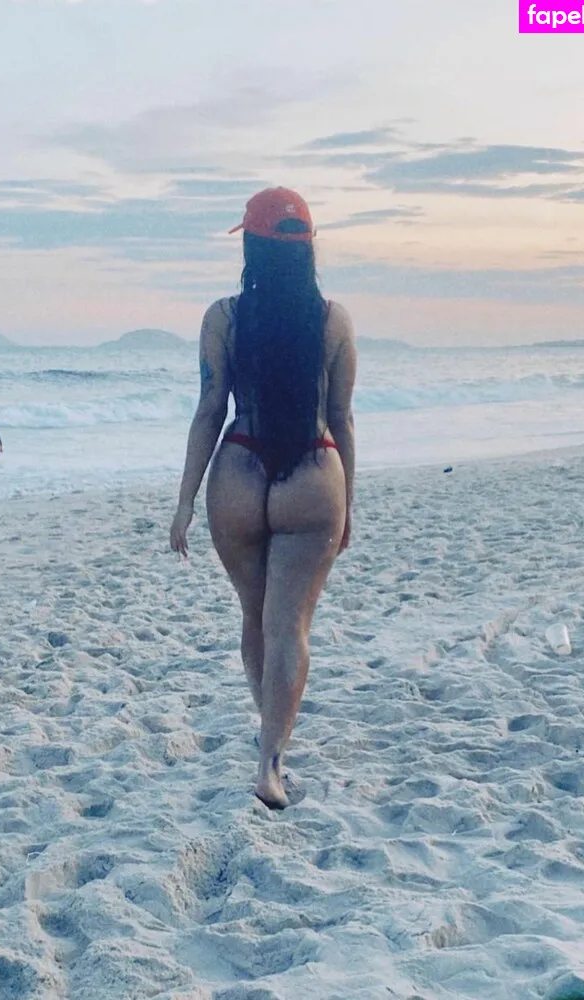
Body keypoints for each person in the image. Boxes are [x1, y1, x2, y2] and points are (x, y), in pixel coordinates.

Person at [169, 187, 356, 809]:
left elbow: (209, 408)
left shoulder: (223, 317)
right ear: (308, 249)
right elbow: (341, 416)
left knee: (256, 617)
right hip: (314, 471)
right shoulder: (333, 320)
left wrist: (185, 501)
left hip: (239, 469)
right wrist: (348, 502)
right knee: (290, 626)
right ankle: (271, 760)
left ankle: (270, 727)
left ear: (249, 246)